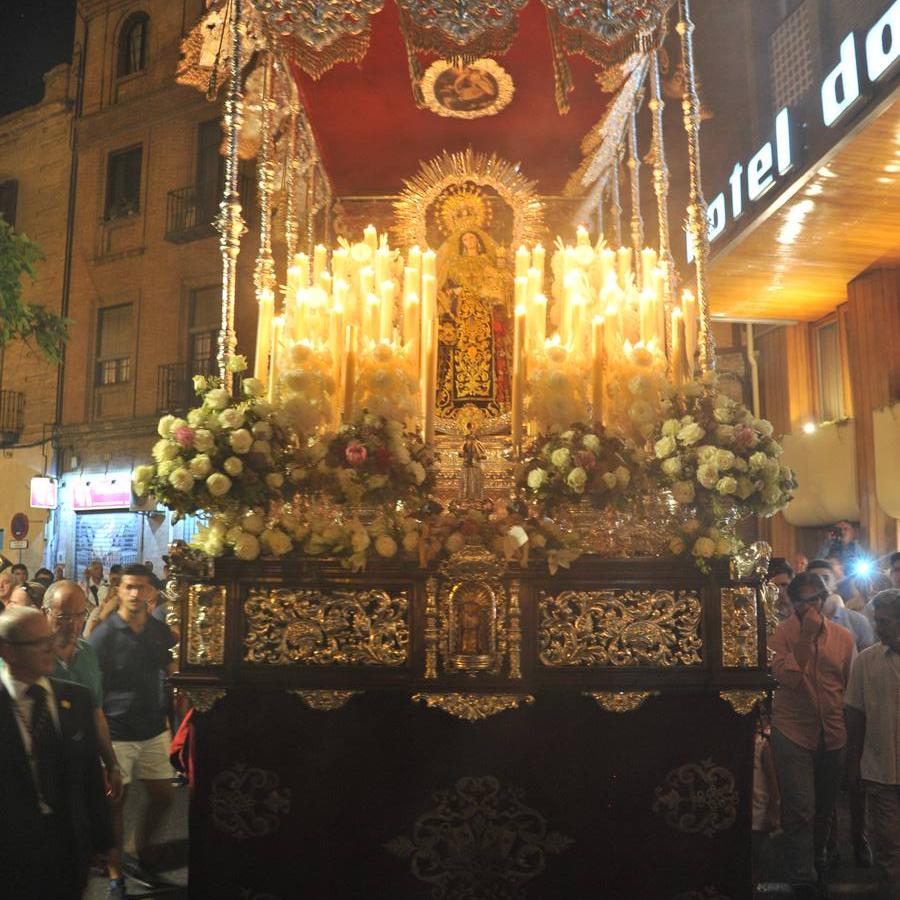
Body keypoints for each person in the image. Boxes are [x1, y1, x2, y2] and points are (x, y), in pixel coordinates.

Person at [0, 606, 112, 899]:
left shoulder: (76, 699)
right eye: (39, 642)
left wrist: (100, 840)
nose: (52, 647)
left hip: (66, 844)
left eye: (49, 638)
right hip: (10, 848)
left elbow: (89, 775)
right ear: (8, 651)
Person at [89, 563, 176, 898]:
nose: (136, 593)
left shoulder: (157, 630)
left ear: (151, 591)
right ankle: (115, 875)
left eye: (142, 587)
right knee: (115, 802)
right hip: (117, 728)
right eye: (129, 587)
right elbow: (94, 684)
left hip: (153, 726)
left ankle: (140, 850)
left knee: (164, 795)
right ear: (119, 590)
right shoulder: (105, 634)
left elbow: (171, 663)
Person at [769, 571, 857, 898]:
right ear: (792, 604)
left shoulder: (844, 637)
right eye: (800, 602)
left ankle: (817, 859)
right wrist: (805, 636)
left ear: (823, 599)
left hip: (833, 731)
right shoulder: (780, 635)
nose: (807, 607)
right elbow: (789, 679)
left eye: (813, 600)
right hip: (792, 730)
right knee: (800, 806)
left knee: (825, 806)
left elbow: (848, 687)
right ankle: (801, 873)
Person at [43, 580, 125, 804]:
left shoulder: (87, 653)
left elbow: (96, 713)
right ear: (45, 612)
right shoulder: (31, 654)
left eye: (80, 615)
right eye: (64, 617)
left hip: (81, 760)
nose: (74, 625)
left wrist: (112, 764)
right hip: (44, 764)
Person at [844, 589, 900, 900]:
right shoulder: (867, 662)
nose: (878, 628)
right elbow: (855, 714)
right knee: (889, 850)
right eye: (876, 621)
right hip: (881, 770)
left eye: (886, 622)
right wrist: (853, 762)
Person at [807, 559, 876, 651]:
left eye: (825, 578)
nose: (821, 584)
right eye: (815, 580)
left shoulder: (858, 621)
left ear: (834, 583)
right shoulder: (798, 621)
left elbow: (867, 660)